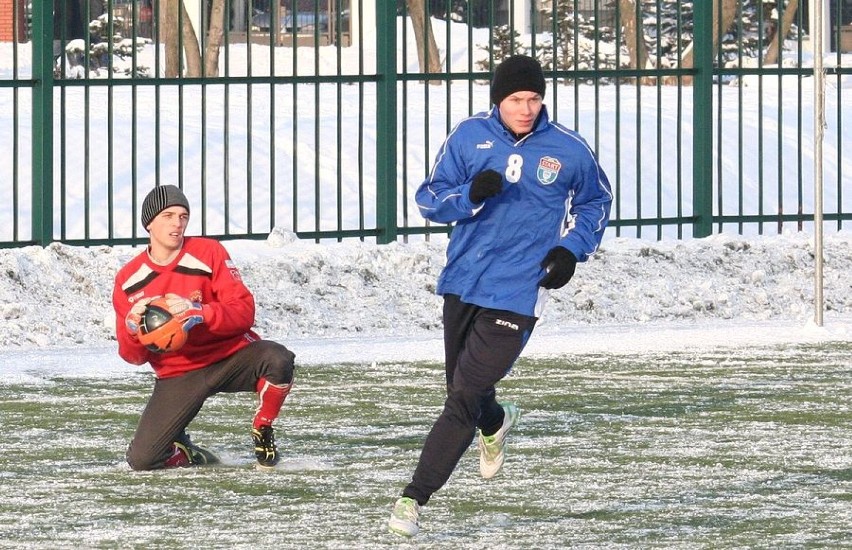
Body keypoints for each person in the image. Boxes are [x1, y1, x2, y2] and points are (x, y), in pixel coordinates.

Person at [388, 55, 613, 536]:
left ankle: (413, 499)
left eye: (534, 98)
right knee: (465, 392)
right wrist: (469, 194)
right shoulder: (469, 136)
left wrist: (571, 250)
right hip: (465, 281)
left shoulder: (569, 148)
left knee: (462, 397)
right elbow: (430, 198)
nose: (526, 107)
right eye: (516, 99)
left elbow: (597, 200)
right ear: (498, 100)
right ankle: (495, 421)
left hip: (518, 290)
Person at [112, 184, 296, 471]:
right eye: (168, 215)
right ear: (149, 223)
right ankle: (186, 452)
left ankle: (263, 428)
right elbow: (133, 357)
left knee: (279, 359)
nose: (178, 223)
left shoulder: (208, 251)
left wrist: (201, 312)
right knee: (143, 460)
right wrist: (132, 329)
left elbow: (244, 311)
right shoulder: (128, 280)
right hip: (179, 372)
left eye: (183, 216)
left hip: (230, 357)